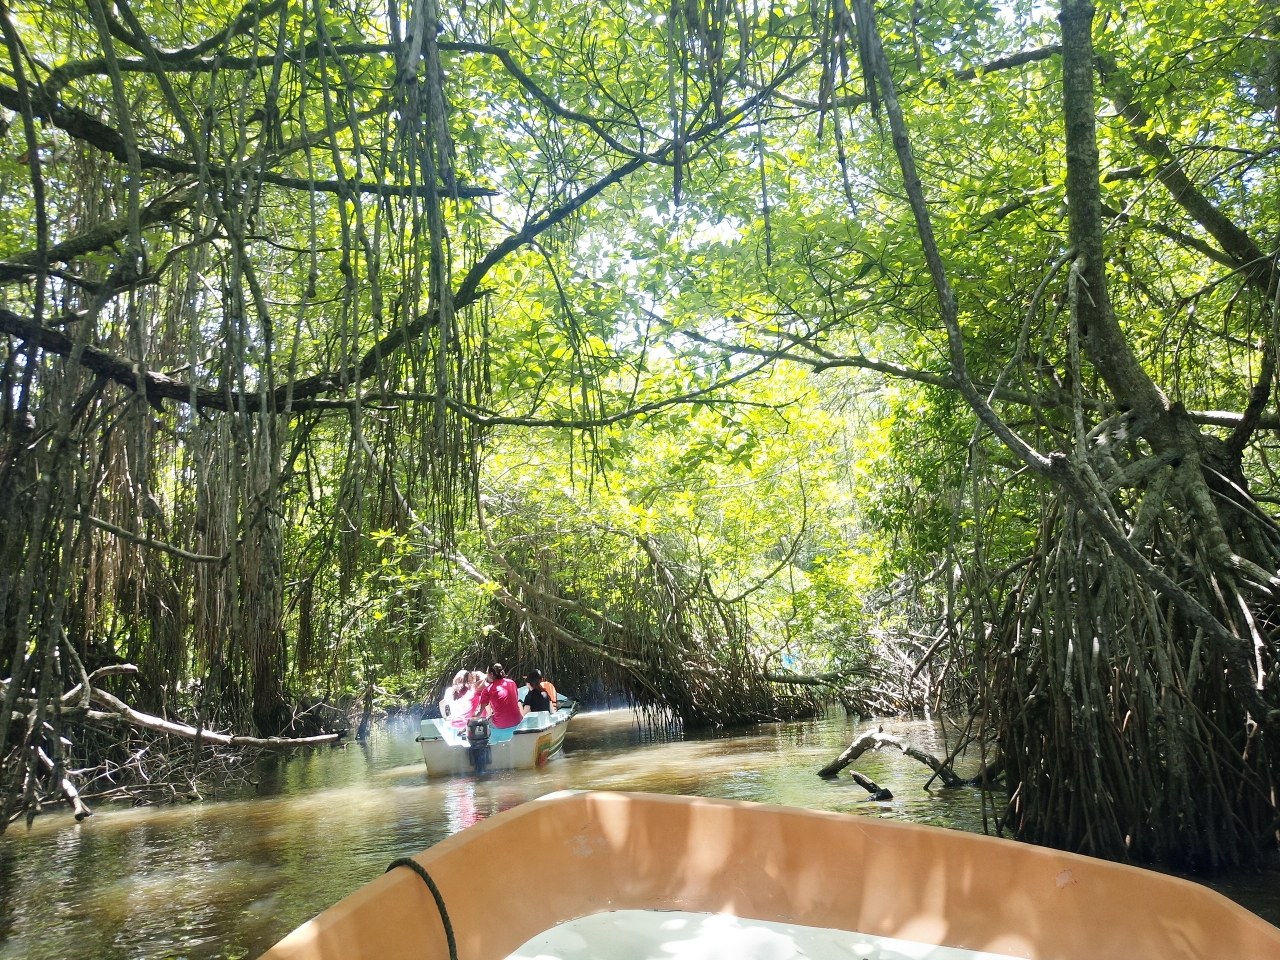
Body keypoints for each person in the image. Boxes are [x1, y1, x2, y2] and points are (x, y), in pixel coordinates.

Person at [475, 662, 523, 729]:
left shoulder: (488, 689)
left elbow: (479, 711)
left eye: (487, 673)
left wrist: (467, 725)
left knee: (487, 720)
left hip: (500, 724)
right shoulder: (511, 683)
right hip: (518, 720)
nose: (486, 675)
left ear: (491, 674)